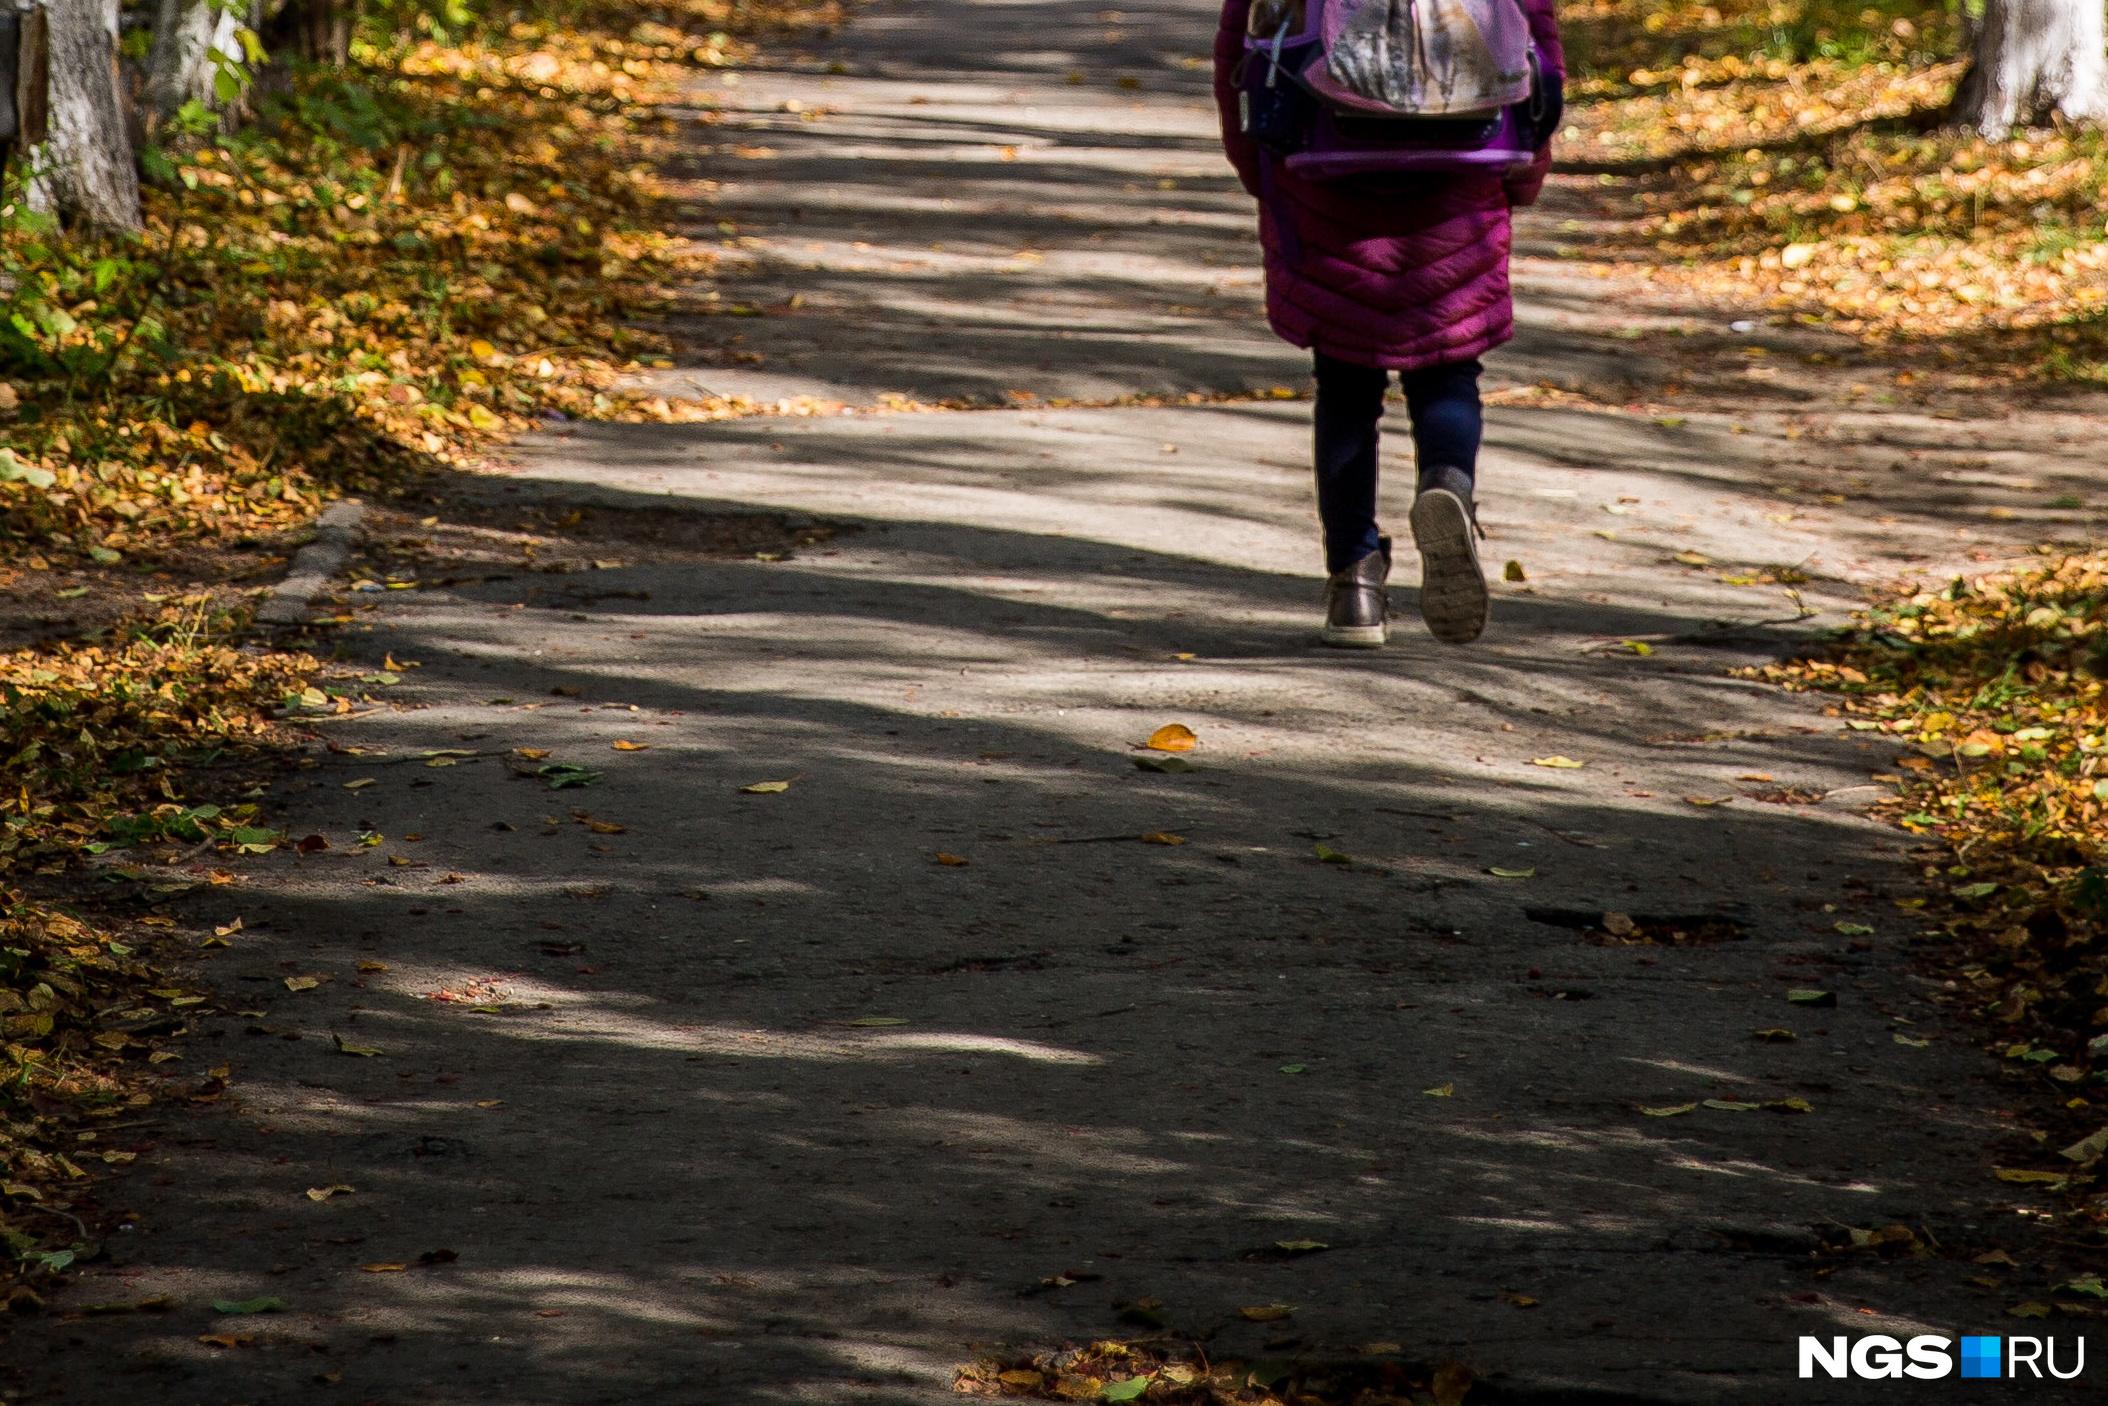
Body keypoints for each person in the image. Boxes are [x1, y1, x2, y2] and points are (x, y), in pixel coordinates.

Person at [1213, 0, 1565, 646]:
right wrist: (1526, 170)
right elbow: (1539, 44)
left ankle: (1355, 586)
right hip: (1468, 163)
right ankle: (1448, 486)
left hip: (1321, 164)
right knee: (1450, 372)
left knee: (1346, 386)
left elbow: (1240, 49)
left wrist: (1257, 164)